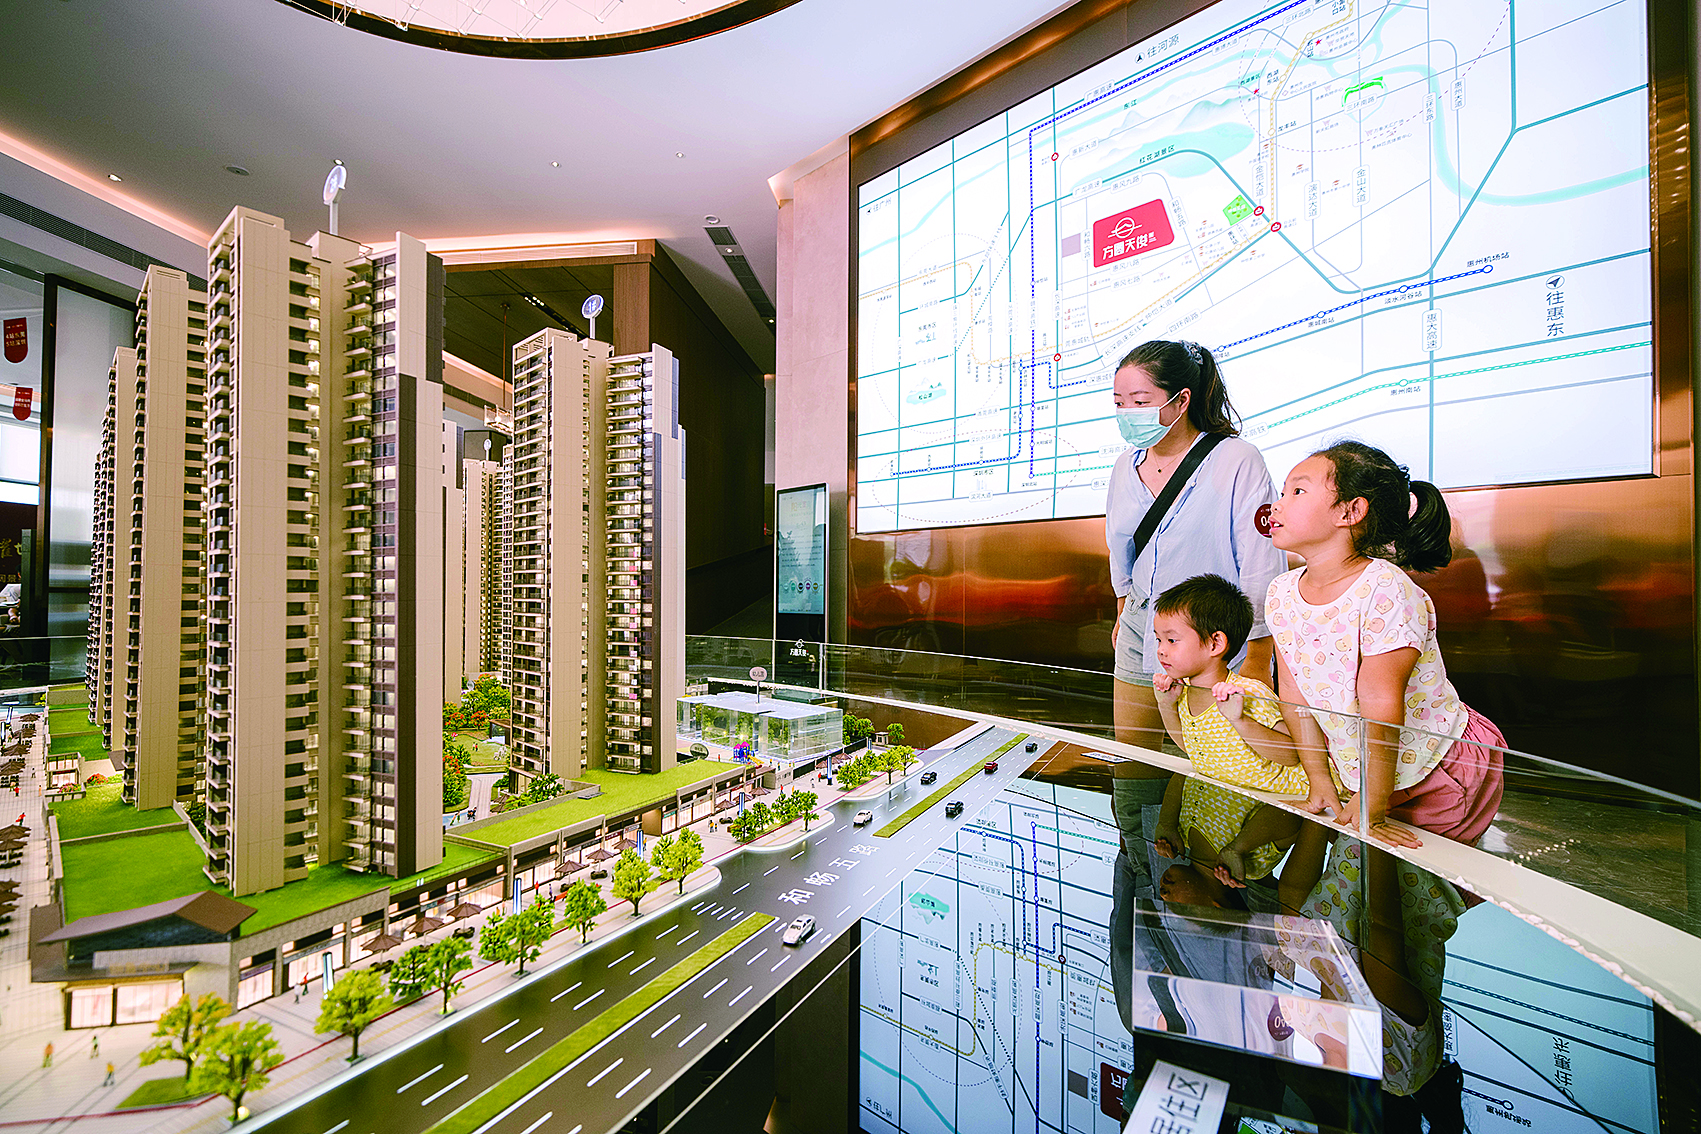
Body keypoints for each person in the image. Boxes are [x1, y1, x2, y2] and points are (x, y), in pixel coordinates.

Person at [1103, 340, 1287, 898]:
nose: (1127, 413)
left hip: (1212, 635)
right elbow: (1119, 546)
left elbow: (1259, 559)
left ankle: (1216, 882)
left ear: (1180, 400)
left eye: (1140, 400)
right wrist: (1124, 607)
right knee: (1134, 757)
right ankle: (1142, 872)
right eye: (1118, 402)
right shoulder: (1125, 466)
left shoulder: (1235, 459)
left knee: (1215, 753)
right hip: (1145, 620)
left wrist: (1256, 652)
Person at [1263, 440, 1506, 853]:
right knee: (1361, 876)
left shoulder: (1385, 588)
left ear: (1350, 511)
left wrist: (1372, 805)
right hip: (1368, 773)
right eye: (1283, 491)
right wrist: (1320, 780)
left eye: (1297, 491)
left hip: (1435, 767)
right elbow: (1294, 694)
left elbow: (1380, 702)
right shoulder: (1281, 592)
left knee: (1422, 883)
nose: (1278, 504)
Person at [1145, 575, 1309, 885]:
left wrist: (1240, 720)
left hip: (1272, 799)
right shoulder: (1184, 690)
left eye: (1172, 640)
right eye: (1158, 640)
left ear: (1215, 644)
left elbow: (1291, 755)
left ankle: (1238, 847)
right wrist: (1166, 705)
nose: (1161, 651)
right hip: (1223, 790)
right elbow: (1191, 747)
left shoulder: (1247, 692)